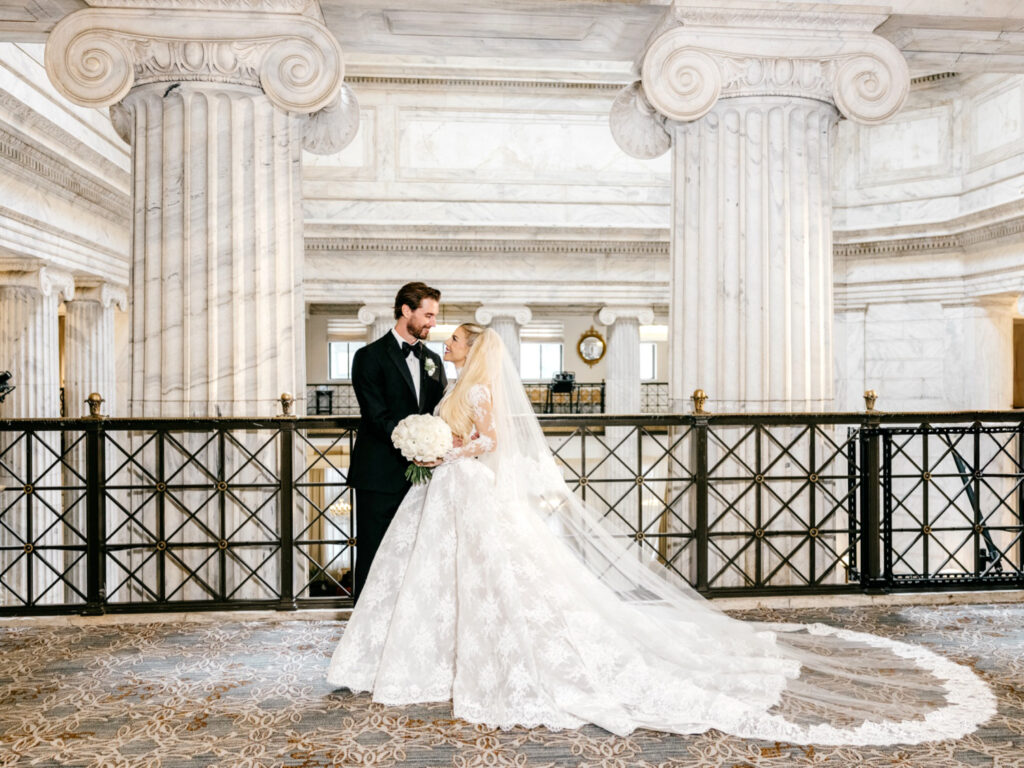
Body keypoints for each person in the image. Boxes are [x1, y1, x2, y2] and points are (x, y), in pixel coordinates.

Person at [328, 324, 995, 745]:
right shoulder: (450, 380)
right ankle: (434, 654)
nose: (447, 343)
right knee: (443, 577)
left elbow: (492, 438)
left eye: (455, 339)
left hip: (464, 482)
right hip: (449, 490)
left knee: (493, 576)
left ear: (474, 350)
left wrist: (449, 451)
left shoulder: (474, 390)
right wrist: (434, 447)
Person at [346, 282, 448, 602]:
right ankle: (364, 623)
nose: (433, 323)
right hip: (379, 474)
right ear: (406, 311)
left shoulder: (433, 360)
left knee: (416, 555)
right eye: (428, 315)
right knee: (374, 553)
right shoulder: (368, 357)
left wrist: (433, 447)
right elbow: (376, 415)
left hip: (422, 478)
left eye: (435, 316)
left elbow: (437, 411)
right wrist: (412, 446)